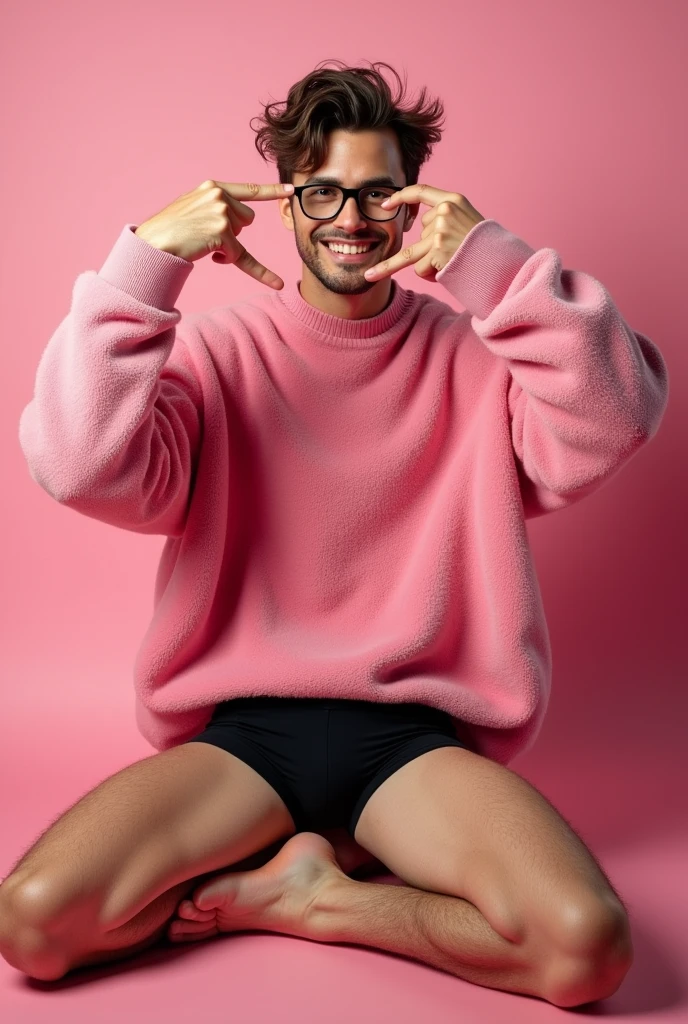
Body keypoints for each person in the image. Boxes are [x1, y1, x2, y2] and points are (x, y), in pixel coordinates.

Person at [2, 60, 668, 1005]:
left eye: (377, 192)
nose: (350, 219)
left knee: (585, 948)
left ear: (413, 206)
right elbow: (75, 462)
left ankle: (314, 901)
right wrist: (147, 260)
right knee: (32, 921)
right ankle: (293, 873)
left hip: (419, 744)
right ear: (285, 204)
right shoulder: (216, 353)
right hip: (241, 738)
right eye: (322, 192)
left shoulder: (478, 359)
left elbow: (618, 413)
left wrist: (491, 260)